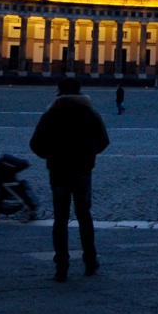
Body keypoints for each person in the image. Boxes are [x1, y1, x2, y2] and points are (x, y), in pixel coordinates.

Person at [30, 78, 110, 282]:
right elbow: (103, 140)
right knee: (84, 216)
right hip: (82, 171)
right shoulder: (89, 113)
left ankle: (61, 266)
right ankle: (90, 261)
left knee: (60, 219)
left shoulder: (51, 114)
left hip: (58, 172)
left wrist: (50, 155)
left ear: (59, 91)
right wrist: (88, 156)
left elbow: (35, 144)